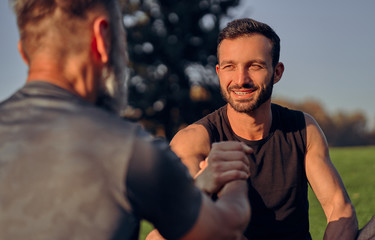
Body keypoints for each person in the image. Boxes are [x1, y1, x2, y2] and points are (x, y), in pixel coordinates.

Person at [0, 1, 253, 239]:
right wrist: (235, 173)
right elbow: (224, 227)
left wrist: (202, 184)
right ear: (101, 38)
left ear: (24, 51)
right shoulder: (127, 149)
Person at [168, 18, 361, 239]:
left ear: (277, 72)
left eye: (255, 66)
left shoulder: (303, 129)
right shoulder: (194, 140)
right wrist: (202, 185)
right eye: (230, 67)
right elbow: (167, 229)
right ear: (219, 72)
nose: (241, 79)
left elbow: (340, 209)